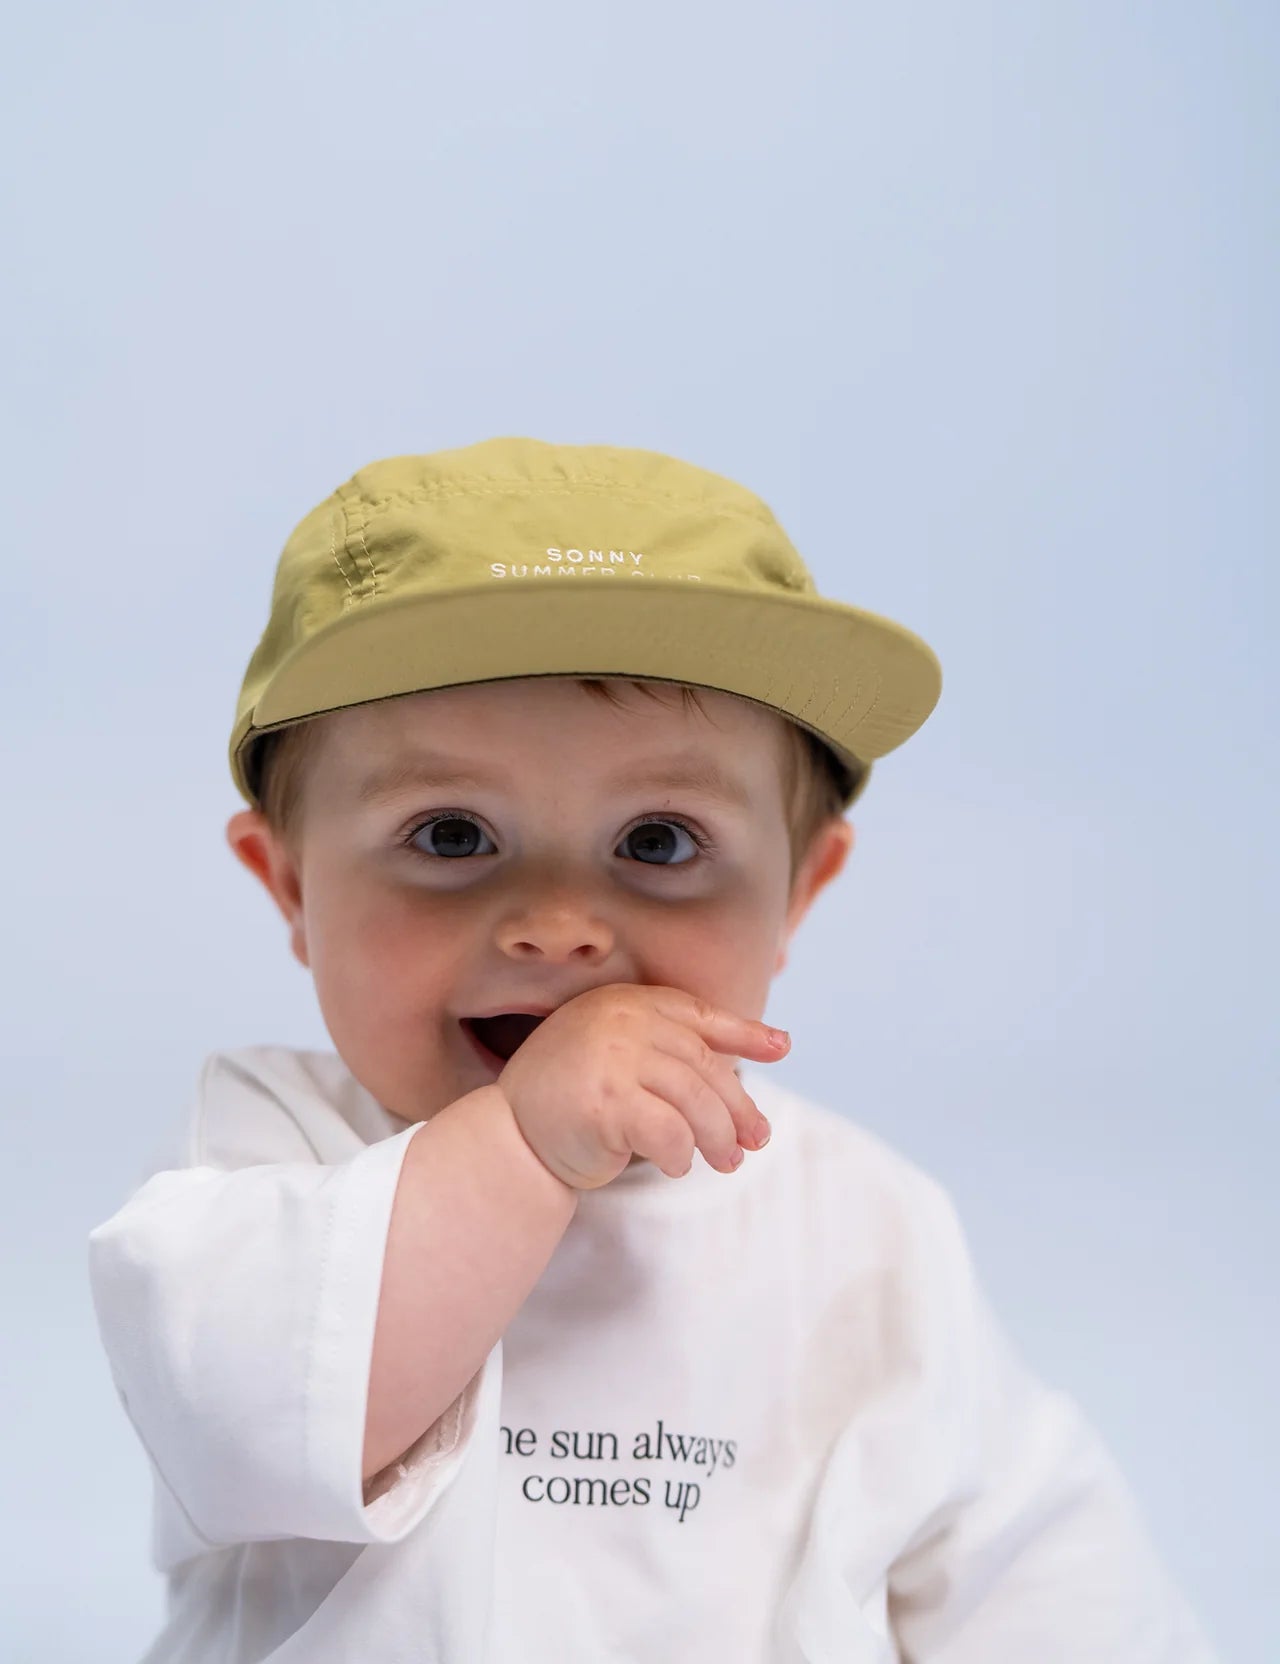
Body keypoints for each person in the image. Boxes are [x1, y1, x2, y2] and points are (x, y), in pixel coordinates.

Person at [87, 437, 1221, 1663]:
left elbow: (1030, 1565)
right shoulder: (264, 1154)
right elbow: (255, 1418)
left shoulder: (864, 1225)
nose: (559, 925)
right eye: (454, 831)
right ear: (290, 883)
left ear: (799, 894)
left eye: (662, 841)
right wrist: (523, 1140)